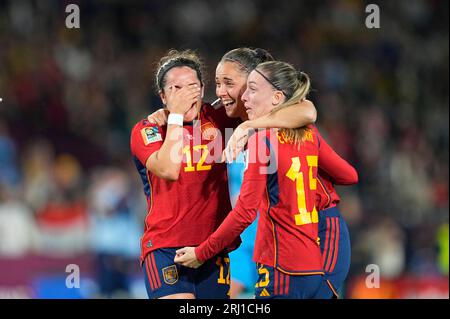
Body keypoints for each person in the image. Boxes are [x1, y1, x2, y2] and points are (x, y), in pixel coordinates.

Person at [175, 61, 357, 299]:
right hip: (311, 263)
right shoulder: (309, 134)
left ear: (276, 97)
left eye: (251, 89)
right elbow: (349, 175)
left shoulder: (263, 141)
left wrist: (201, 253)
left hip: (281, 266)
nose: (244, 97)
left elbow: (244, 212)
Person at [146, 47, 319, 298]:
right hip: (247, 240)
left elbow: (308, 110)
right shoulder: (221, 118)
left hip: (281, 241)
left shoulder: (274, 121)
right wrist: (171, 114)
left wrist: (250, 125)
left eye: (229, 83)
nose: (220, 93)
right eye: (217, 84)